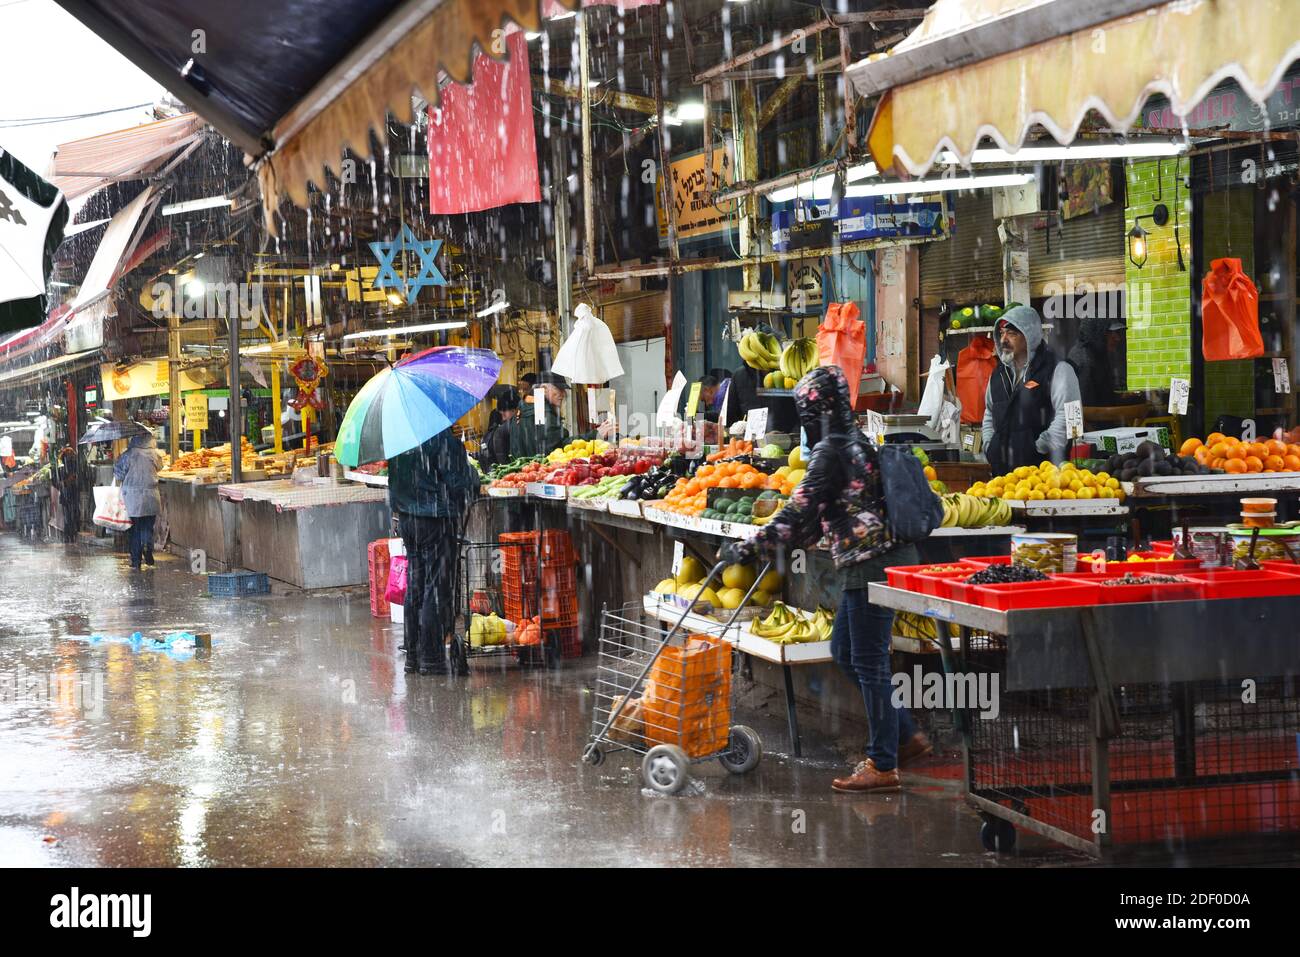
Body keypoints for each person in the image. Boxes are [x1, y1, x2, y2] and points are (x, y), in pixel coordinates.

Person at [721, 365, 930, 794]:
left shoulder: (831, 452)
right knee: (846, 651)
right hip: (872, 562)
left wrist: (747, 547)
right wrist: (772, 543)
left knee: (868, 660)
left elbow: (799, 511)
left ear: (812, 413)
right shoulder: (856, 443)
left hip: (873, 564)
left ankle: (884, 763)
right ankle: (904, 735)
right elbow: (816, 519)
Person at [388, 428, 480, 676]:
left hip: (408, 519)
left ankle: (414, 655)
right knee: (436, 588)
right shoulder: (442, 438)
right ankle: (432, 658)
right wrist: (473, 476)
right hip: (435, 519)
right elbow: (460, 482)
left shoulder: (400, 439)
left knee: (416, 584)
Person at [981, 304, 1081, 473]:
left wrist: (1037, 448)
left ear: (1030, 336)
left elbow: (1073, 421)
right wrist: (990, 446)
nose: (1004, 339)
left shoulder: (1059, 369)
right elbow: (989, 412)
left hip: (1047, 478)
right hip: (1004, 480)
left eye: (1012, 333)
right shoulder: (998, 374)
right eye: (1002, 333)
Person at [510, 372, 614, 458]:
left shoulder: (521, 409)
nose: (563, 394)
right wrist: (596, 434)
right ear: (544, 388)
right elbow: (558, 447)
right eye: (559, 389)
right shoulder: (544, 414)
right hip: (541, 473)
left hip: (525, 472)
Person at [114, 429, 163, 569]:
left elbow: (118, 475)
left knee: (135, 529)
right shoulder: (154, 454)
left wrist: (119, 461)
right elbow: (160, 467)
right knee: (147, 527)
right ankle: (148, 550)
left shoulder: (127, 456)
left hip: (133, 499)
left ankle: (136, 561)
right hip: (151, 497)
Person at [1067, 316, 1121, 407]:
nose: (1117, 338)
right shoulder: (1083, 360)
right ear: (1097, 333)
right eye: (1110, 332)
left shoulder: (1098, 354)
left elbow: (1105, 399)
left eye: (1117, 333)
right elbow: (1080, 409)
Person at [478, 387, 521, 468]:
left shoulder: (516, 426)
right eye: (501, 414)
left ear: (515, 410)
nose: (503, 418)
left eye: (504, 414)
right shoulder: (502, 428)